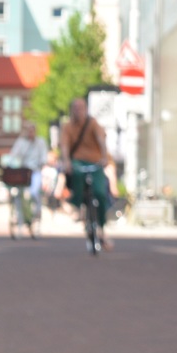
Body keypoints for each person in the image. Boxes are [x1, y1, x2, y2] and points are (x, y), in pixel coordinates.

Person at [60, 97, 113, 251]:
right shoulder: (67, 127)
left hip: (95, 161)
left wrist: (104, 157)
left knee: (100, 194)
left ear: (86, 109)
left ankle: (101, 228)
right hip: (77, 161)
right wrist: (66, 162)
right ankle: (77, 202)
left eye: (81, 107)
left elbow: (101, 139)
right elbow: (64, 145)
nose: (78, 111)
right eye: (75, 108)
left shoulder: (93, 123)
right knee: (76, 172)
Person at [8, 121, 49, 225]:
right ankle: (19, 215)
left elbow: (44, 156)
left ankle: (37, 211)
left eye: (32, 130)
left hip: (35, 171)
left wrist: (41, 163)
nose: (30, 133)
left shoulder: (40, 142)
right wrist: (10, 164)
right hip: (23, 171)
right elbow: (13, 154)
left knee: (34, 192)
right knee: (19, 194)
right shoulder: (21, 142)